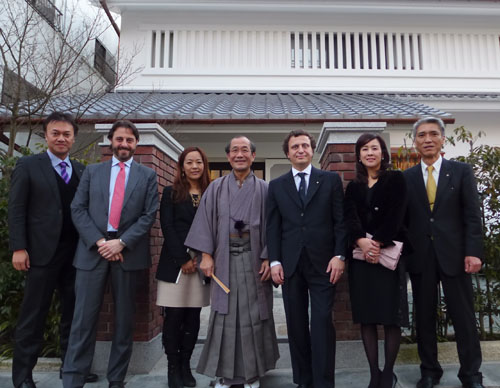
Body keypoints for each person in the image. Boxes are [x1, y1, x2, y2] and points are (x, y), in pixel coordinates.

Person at [62, 120, 158, 388]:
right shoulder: (93, 172)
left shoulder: (147, 176)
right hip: (92, 252)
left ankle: (116, 378)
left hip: (128, 254)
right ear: (111, 141)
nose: (124, 144)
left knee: (124, 320)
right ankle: (73, 378)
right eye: (119, 139)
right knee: (82, 320)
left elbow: (149, 215)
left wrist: (122, 243)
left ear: (136, 144)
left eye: (129, 140)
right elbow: (78, 209)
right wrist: (100, 241)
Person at [7, 112, 96, 388]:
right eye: (55, 133)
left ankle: (70, 369)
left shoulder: (82, 170)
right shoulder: (28, 165)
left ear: (73, 137)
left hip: (76, 255)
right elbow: (17, 209)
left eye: (66, 134)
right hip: (40, 254)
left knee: (73, 314)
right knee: (33, 316)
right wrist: (19, 247)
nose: (61, 138)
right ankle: (22, 377)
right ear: (46, 135)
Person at [184, 136, 279, 388]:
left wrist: (270, 256)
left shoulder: (265, 189)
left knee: (254, 317)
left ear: (253, 156)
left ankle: (252, 375)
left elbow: (275, 226)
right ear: (228, 157)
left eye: (244, 150)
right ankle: (226, 376)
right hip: (223, 260)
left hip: (254, 260)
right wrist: (205, 255)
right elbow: (204, 222)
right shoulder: (215, 188)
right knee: (224, 317)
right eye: (234, 150)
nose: (239, 154)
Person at [404, 117, 484, 388]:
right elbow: (403, 221)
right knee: (424, 318)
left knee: (464, 318)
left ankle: (471, 374)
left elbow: (473, 215)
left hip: (456, 255)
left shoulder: (461, 171)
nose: (428, 139)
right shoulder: (406, 177)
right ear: (415, 142)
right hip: (421, 257)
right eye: (422, 135)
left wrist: (474, 252)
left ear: (442, 140)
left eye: (433, 134)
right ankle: (429, 372)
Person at [266, 129, 347, 388]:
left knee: (322, 321)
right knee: (296, 324)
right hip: (290, 264)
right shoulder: (277, 186)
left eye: (304, 145)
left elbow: (340, 222)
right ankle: (303, 380)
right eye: (294, 147)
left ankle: (324, 382)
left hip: (324, 263)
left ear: (312, 150)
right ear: (287, 153)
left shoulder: (330, 180)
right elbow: (273, 226)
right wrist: (275, 260)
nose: (300, 150)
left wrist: (339, 255)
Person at [344, 133, 409, 388]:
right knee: (368, 317)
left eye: (375, 148)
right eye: (364, 149)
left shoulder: (396, 179)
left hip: (389, 257)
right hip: (361, 260)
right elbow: (348, 216)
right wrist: (361, 241)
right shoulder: (353, 186)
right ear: (358, 155)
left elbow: (398, 213)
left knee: (391, 318)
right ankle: (374, 372)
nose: (370, 153)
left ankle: (388, 373)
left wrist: (378, 242)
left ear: (383, 152)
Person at [156, 147, 211, 388]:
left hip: (202, 264)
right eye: (190, 162)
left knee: (193, 316)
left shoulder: (211, 192)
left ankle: (186, 365)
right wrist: (183, 259)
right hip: (175, 265)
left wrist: (202, 256)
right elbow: (167, 227)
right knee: (174, 316)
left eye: (199, 162)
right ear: (182, 166)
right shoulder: (171, 193)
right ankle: (173, 367)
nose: (195, 166)